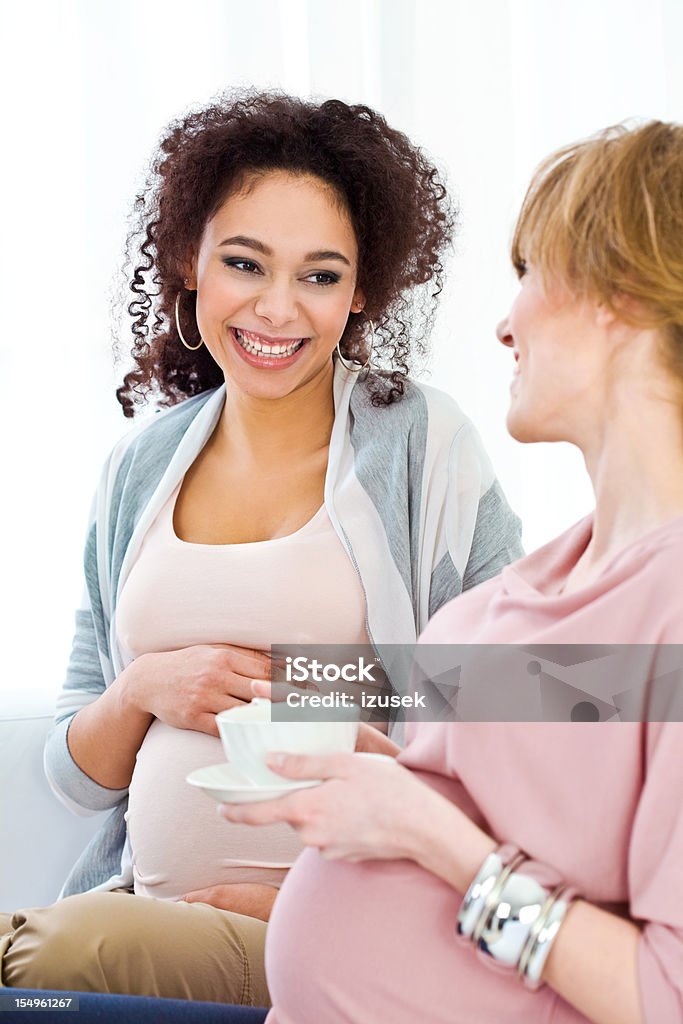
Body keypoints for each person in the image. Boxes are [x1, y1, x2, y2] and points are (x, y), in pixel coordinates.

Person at [0, 91, 522, 1004]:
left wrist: (311, 687)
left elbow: (528, 704)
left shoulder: (422, 445)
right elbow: (76, 775)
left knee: (34, 960)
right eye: (245, 263)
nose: (278, 310)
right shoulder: (141, 466)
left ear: (363, 289)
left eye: (319, 276)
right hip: (151, 912)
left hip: (348, 927)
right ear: (188, 263)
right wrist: (146, 687)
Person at [221, 120, 683, 1024]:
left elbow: (664, 996)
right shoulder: (551, 573)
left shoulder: (417, 438)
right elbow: (525, 746)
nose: (504, 324)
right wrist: (382, 771)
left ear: (616, 294)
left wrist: (422, 832)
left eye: (527, 274)